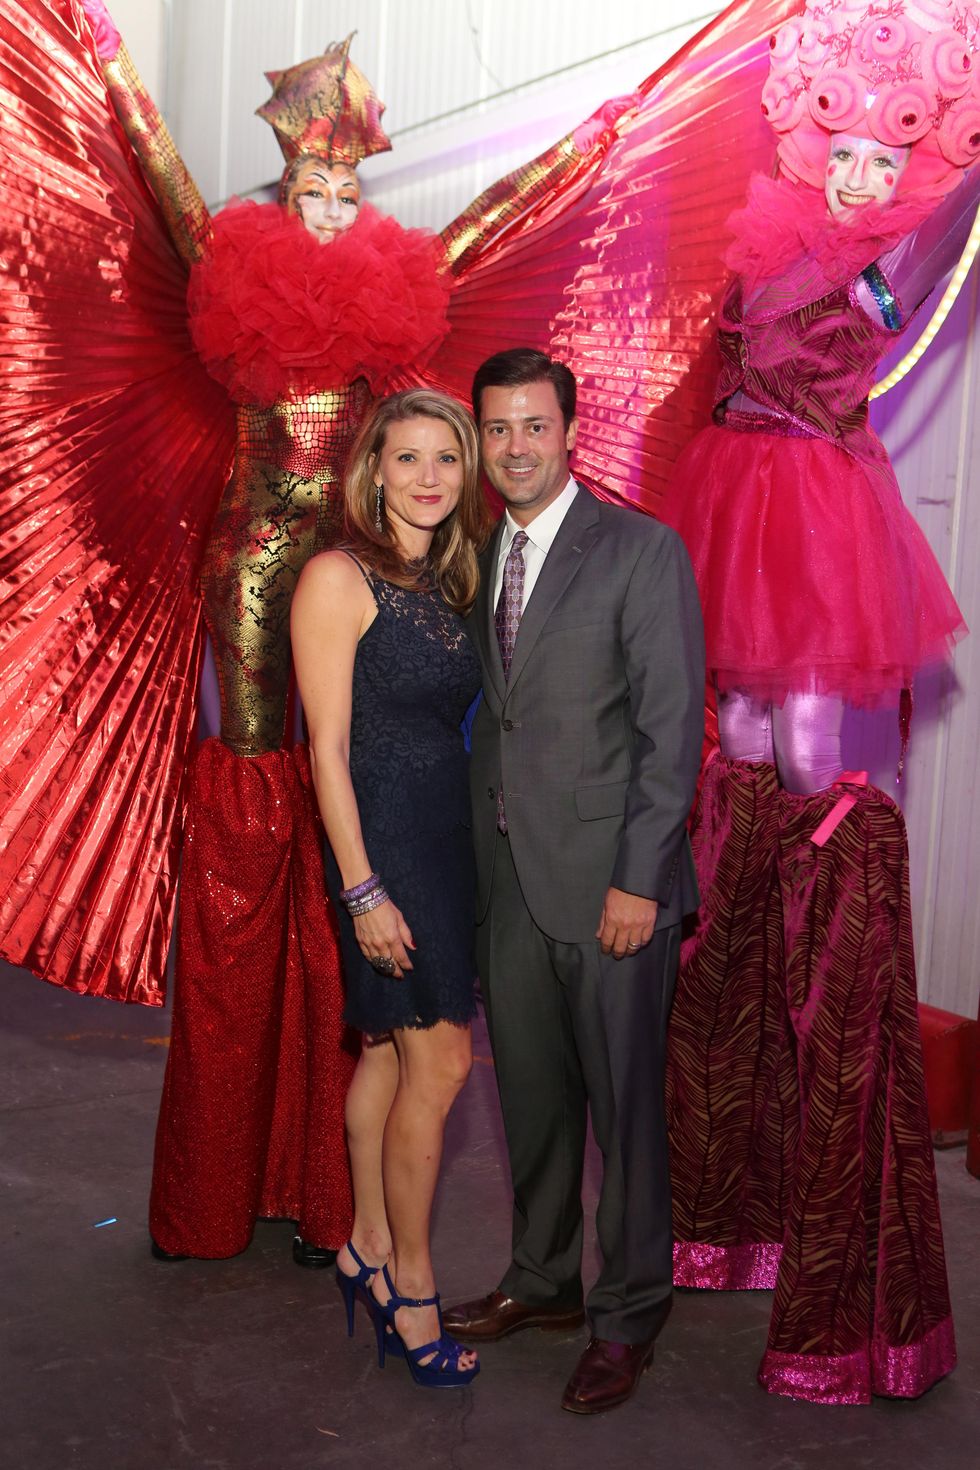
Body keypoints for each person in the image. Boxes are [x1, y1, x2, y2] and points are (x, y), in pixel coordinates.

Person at [73, 0, 619, 1266]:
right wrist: (106, 53)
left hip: (360, 560)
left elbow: (481, 224)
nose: (327, 209)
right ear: (283, 184)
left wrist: (589, 141)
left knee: (365, 764)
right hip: (254, 562)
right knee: (260, 791)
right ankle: (242, 1135)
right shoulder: (236, 264)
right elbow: (160, 180)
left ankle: (341, 1168)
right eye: (309, 189)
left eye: (346, 189)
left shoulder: (387, 288)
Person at [658, 0, 978, 1405]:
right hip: (750, 484)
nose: (857, 178)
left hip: (822, 497)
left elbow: (926, 243)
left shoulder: (879, 259)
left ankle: (805, 831)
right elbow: (748, 337)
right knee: (742, 712)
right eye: (841, 154)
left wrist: (932, 196)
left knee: (804, 723)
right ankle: (751, 828)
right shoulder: (774, 238)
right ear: (809, 147)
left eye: (879, 164)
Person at [442, 348, 705, 1414]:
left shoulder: (640, 550)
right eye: (497, 429)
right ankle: (543, 1280)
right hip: (508, 881)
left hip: (611, 888)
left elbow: (670, 730)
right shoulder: (473, 555)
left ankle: (628, 1313)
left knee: (624, 1114)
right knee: (532, 1097)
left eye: (533, 426)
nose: (515, 448)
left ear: (570, 431)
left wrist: (640, 880)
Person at [290, 388, 491, 1387]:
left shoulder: (452, 576)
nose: (426, 477)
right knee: (441, 1064)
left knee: (384, 1053)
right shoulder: (338, 575)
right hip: (383, 847)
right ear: (372, 471)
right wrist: (362, 891)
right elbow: (324, 749)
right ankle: (412, 1285)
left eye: (445, 458)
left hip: (445, 838)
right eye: (406, 457)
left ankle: (365, 1246)